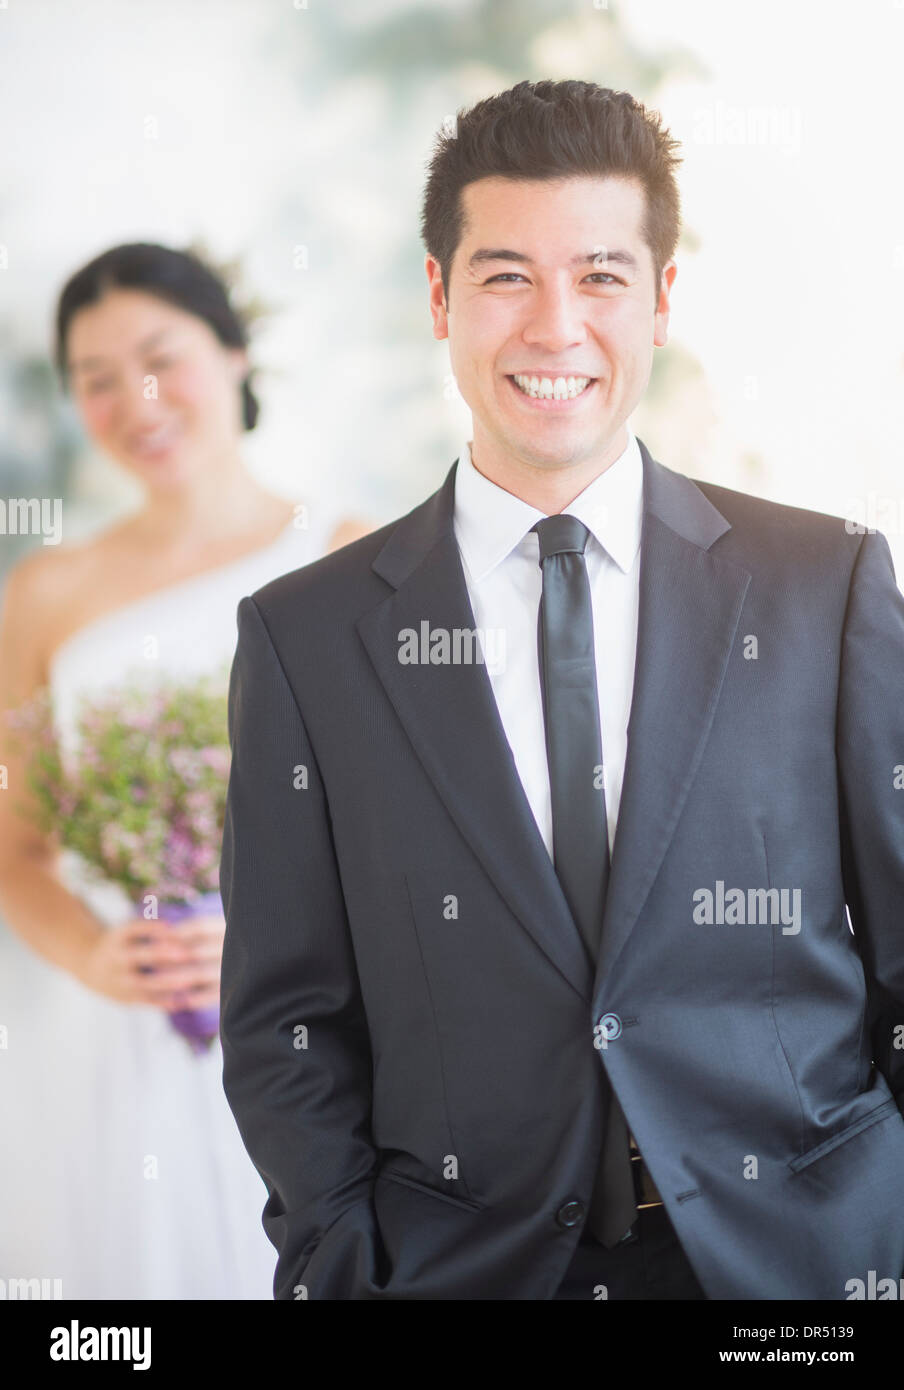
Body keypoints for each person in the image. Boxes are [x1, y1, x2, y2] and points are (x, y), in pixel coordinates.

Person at [218, 80, 904, 1300]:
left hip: (797, 1270)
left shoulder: (824, 584)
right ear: (438, 298)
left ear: (659, 297)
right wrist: (340, 1261)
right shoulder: (304, 639)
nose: (553, 327)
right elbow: (288, 1019)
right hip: (460, 1268)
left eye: (598, 274)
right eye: (503, 277)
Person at [0, 242, 371, 1299]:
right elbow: (16, 842)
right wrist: (92, 954)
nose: (138, 400)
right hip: (121, 1046)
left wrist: (268, 941)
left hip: (317, 1028)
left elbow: (410, 834)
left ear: (236, 354)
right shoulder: (48, 591)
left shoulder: (347, 554)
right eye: (98, 379)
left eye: (164, 358)